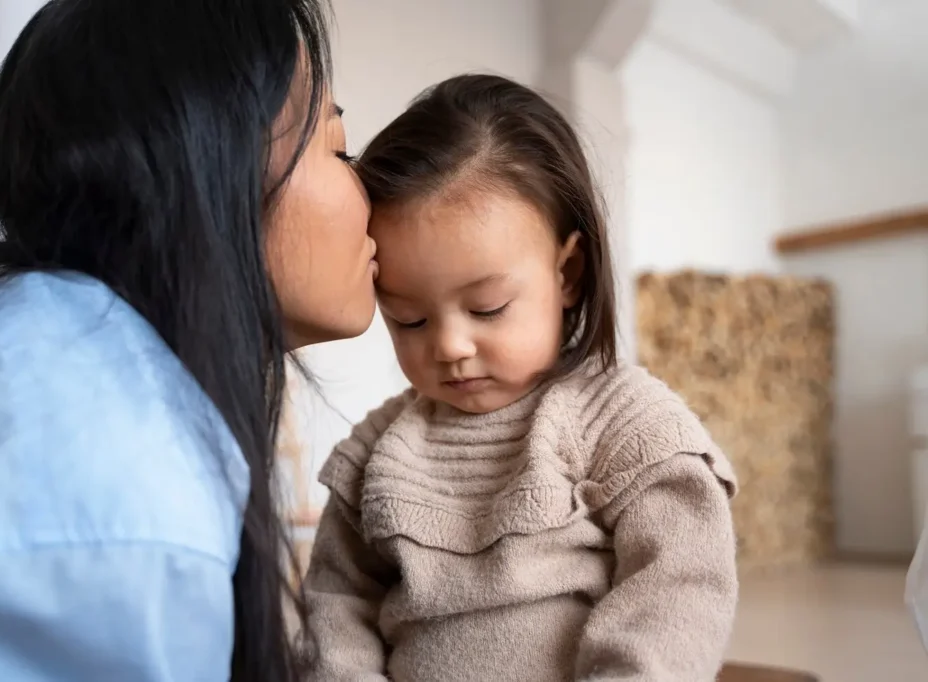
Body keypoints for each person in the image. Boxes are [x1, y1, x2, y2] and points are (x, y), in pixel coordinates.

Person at [0, 0, 373, 680]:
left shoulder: (28, 361)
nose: (370, 191)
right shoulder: (121, 505)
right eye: (338, 148)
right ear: (216, 159)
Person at [302, 74, 740, 682]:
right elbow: (335, 606)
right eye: (410, 318)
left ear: (569, 273)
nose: (451, 346)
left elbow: (679, 588)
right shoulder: (376, 452)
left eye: (486, 308)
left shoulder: (626, 424)